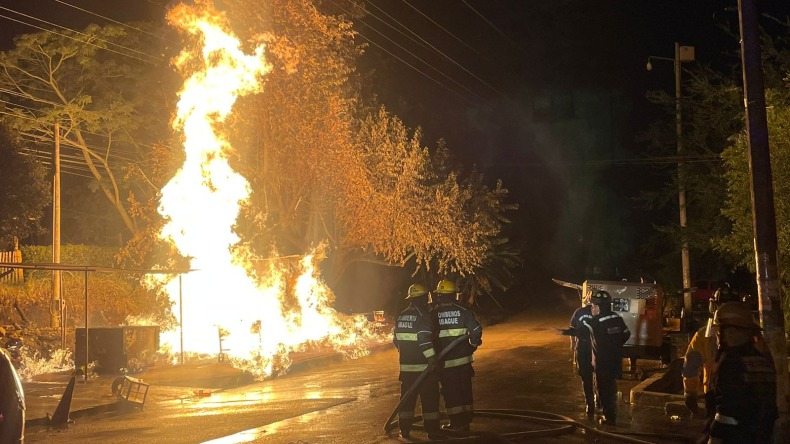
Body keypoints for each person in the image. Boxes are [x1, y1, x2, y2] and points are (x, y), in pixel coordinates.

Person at [703, 302, 777, 444]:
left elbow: (726, 414)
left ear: (731, 331)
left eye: (720, 331)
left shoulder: (731, 363)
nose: (718, 336)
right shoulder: (764, 361)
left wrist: (713, 438)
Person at [567, 290, 630, 425]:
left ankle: (608, 416)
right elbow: (626, 334)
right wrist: (615, 345)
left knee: (603, 386)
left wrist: (563, 332)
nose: (592, 308)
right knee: (608, 385)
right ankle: (606, 410)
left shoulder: (596, 321)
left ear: (600, 307)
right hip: (611, 358)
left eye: (594, 306)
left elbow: (580, 331)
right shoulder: (616, 318)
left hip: (602, 359)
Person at [431, 279, 483, 432]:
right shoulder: (463, 310)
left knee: (451, 393)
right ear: (454, 294)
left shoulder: (433, 313)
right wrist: (472, 346)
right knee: (465, 390)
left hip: (446, 364)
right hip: (464, 362)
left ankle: (456, 423)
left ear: (439, 295)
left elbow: (428, 336)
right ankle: (466, 422)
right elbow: (476, 330)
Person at [682, 285, 741, 417]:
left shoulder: (704, 335)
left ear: (713, 306)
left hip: (715, 397)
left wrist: (690, 393)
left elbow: (691, 365)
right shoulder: (753, 334)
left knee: (717, 433)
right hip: (748, 400)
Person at [392, 283, 443, 439]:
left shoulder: (400, 316)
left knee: (407, 400)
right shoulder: (424, 316)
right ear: (423, 298)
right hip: (424, 369)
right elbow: (424, 340)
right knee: (429, 400)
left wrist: (406, 353)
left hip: (406, 369)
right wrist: (432, 358)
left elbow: (396, 340)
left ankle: (404, 430)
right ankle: (433, 431)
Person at [567, 289, 596, 419]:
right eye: (590, 296)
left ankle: (597, 400)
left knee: (597, 375)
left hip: (594, 348)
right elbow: (572, 328)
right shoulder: (579, 312)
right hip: (582, 347)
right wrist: (573, 343)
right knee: (585, 375)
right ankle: (590, 402)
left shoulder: (598, 312)